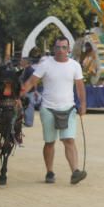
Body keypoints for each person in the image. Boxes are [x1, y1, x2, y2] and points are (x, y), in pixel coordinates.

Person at [20, 37, 87, 185]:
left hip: (68, 108)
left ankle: (75, 172)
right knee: (49, 142)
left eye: (64, 47)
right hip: (48, 108)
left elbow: (80, 86)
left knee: (69, 140)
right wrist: (18, 96)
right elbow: (31, 82)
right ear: (54, 49)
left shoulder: (75, 66)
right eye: (58, 47)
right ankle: (49, 171)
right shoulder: (46, 64)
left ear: (68, 49)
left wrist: (83, 104)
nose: (61, 50)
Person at [20, 51, 43, 128]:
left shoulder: (30, 70)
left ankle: (29, 122)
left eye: (22, 61)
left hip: (30, 91)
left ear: (26, 62)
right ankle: (26, 121)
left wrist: (35, 90)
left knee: (29, 106)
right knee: (25, 107)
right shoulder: (25, 70)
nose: (20, 62)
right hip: (25, 91)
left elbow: (34, 81)